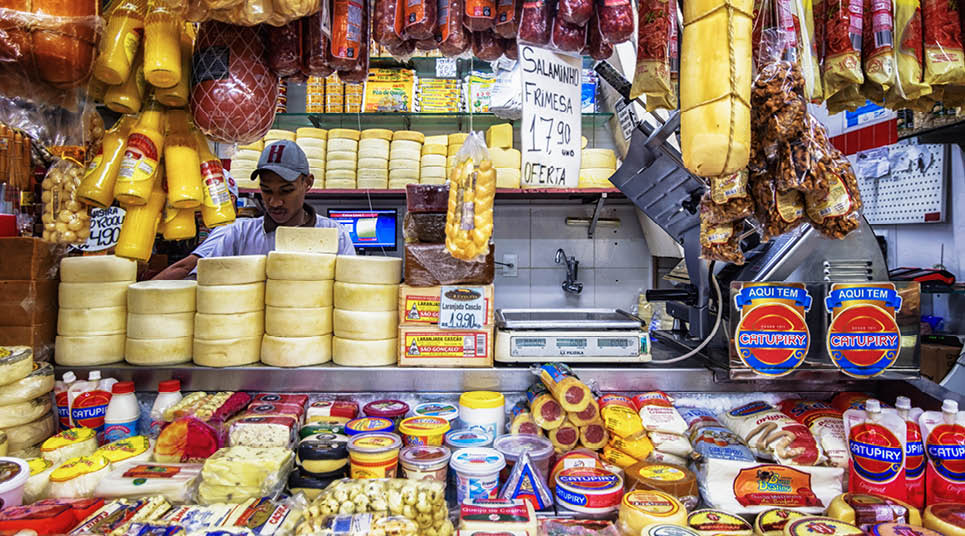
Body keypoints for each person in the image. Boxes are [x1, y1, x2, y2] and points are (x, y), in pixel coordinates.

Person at [154, 140, 355, 280]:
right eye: (266, 191)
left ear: (308, 183)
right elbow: (196, 276)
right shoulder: (237, 234)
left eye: (286, 191)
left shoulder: (336, 236)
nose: (275, 202)